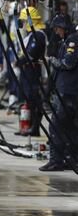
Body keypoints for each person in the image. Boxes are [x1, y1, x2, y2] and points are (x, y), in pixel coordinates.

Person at [40, 16, 77, 171]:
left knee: (56, 126)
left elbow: (68, 63)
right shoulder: (68, 40)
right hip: (69, 91)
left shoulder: (72, 41)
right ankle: (70, 159)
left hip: (68, 92)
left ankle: (56, 160)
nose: (56, 32)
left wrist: (51, 60)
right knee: (70, 128)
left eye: (58, 28)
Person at [15, 7, 47, 137]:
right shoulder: (30, 35)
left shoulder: (38, 34)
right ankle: (26, 125)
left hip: (32, 70)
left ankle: (35, 127)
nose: (23, 23)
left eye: (24, 20)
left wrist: (20, 61)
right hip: (26, 71)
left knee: (34, 99)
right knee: (26, 99)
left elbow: (32, 53)